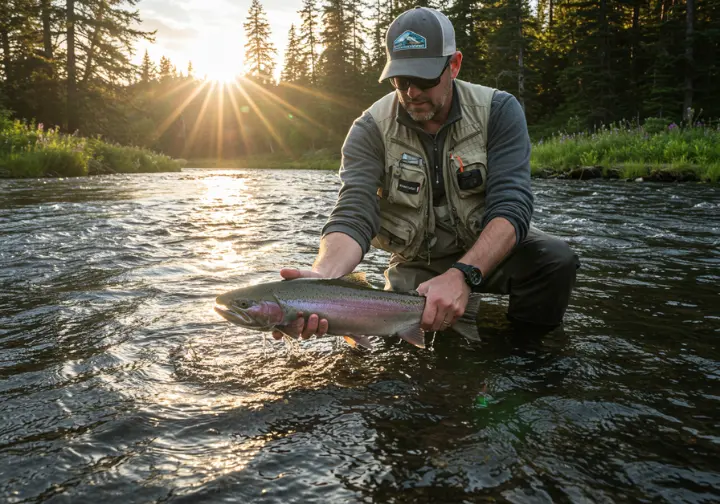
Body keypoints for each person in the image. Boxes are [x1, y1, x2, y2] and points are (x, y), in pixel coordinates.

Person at [273, 6, 579, 341]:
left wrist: (462, 274)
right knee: (400, 363)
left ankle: (526, 350)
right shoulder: (369, 130)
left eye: (424, 78)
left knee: (555, 260)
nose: (411, 92)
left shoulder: (499, 111)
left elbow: (512, 206)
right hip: (417, 264)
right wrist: (322, 277)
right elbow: (354, 213)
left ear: (455, 64)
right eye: (401, 80)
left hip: (488, 249)